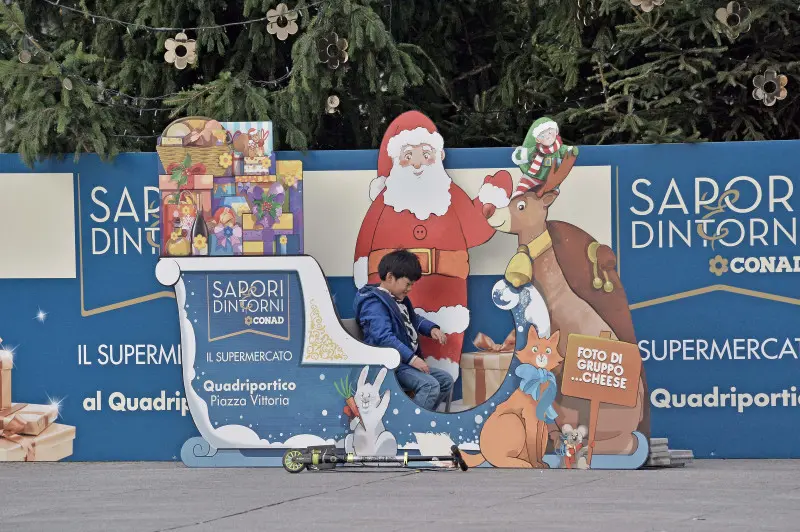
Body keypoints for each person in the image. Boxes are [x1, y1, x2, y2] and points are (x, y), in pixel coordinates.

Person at [352, 110, 514, 383]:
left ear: (437, 157)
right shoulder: (386, 200)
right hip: (400, 278)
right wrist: (363, 270)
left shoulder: (450, 195)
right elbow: (366, 239)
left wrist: (490, 203)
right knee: (408, 357)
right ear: (396, 160)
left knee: (443, 353)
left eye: (424, 155)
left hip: (447, 288)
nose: (417, 164)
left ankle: (437, 399)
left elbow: (475, 229)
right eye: (408, 156)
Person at [353, 249, 454, 412]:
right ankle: (414, 424)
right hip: (391, 365)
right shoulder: (374, 303)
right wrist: (413, 359)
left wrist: (431, 329)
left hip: (404, 363)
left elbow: (412, 320)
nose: (410, 289)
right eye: (408, 284)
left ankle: (425, 416)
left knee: (445, 380)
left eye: (412, 285)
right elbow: (383, 337)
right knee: (430, 385)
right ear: (390, 277)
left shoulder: (398, 300)